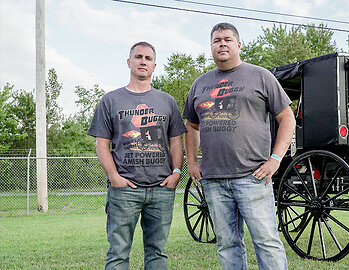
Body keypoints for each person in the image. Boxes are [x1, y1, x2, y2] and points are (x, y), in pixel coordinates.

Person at [183, 22, 295, 270]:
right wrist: (191, 162)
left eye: (227, 39)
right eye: (216, 40)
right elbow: (191, 126)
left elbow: (287, 117)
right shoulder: (200, 84)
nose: (221, 44)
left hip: (253, 176)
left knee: (266, 241)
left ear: (238, 45)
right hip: (213, 179)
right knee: (227, 244)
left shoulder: (261, 76)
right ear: (211, 47)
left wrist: (276, 158)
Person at [88, 41, 186, 269]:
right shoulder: (110, 100)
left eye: (148, 58)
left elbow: (175, 142)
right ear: (129, 62)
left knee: (157, 253)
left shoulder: (167, 101)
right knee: (118, 253)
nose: (143, 61)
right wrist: (114, 177)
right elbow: (101, 144)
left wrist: (177, 173)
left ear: (154, 66)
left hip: (162, 189)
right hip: (124, 189)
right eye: (138, 56)